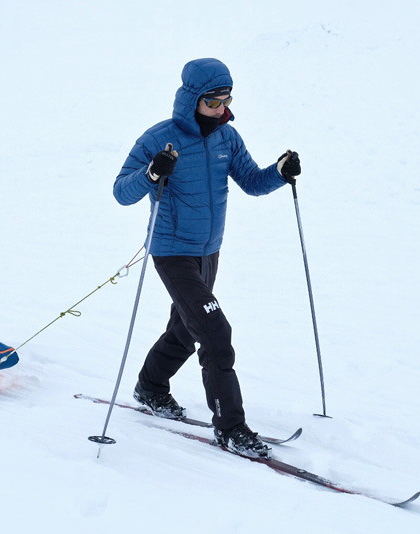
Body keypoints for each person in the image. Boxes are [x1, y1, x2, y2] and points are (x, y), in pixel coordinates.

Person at [112, 58, 301, 459]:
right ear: (192, 99)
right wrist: (151, 173)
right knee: (215, 332)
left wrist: (280, 173)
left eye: (226, 100)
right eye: (213, 102)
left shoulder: (227, 138)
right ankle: (230, 427)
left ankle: (150, 387)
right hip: (172, 251)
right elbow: (121, 192)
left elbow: (251, 181)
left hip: (209, 250)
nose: (221, 108)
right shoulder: (159, 139)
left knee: (185, 329)